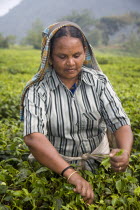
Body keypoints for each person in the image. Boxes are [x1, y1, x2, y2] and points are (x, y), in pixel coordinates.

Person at [20, 21, 133, 204]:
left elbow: (120, 122)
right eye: (62, 56)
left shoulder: (98, 82)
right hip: (55, 166)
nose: (71, 63)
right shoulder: (37, 90)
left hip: (98, 161)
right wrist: (70, 174)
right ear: (49, 57)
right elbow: (33, 137)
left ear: (85, 53)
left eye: (77, 55)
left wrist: (124, 152)